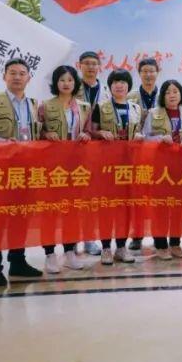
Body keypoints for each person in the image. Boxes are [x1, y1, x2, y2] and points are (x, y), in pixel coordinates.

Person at [0, 59, 45, 285]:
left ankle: (18, 261)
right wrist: (4, 143)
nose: (17, 77)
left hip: (26, 169)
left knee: (21, 216)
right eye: (12, 73)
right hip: (1, 169)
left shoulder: (34, 104)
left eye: (22, 73)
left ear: (29, 78)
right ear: (4, 76)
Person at [38, 65, 92, 273]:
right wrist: (46, 134)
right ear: (55, 83)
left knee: (72, 210)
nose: (66, 83)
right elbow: (37, 131)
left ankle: (70, 251)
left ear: (75, 83)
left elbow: (89, 130)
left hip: (76, 166)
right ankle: (50, 254)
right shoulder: (45, 105)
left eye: (70, 80)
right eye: (62, 80)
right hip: (52, 167)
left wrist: (87, 135)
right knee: (50, 210)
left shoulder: (84, 107)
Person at [142, 79, 182, 259]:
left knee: (178, 207)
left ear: (181, 94)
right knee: (160, 206)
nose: (172, 95)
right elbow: (146, 137)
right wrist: (160, 139)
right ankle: (160, 244)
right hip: (160, 167)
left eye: (175, 91)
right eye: (168, 92)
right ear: (162, 96)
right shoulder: (153, 113)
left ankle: (175, 243)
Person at [89, 69, 143, 265]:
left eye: (123, 82)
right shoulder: (100, 107)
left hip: (129, 165)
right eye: (115, 82)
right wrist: (100, 133)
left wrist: (140, 136)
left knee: (125, 208)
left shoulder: (136, 108)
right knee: (107, 207)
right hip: (107, 166)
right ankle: (105, 248)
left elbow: (140, 132)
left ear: (128, 86)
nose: (119, 85)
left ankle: (121, 247)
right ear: (110, 86)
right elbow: (91, 131)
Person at [76, 51, 109, 257]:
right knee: (76, 197)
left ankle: (89, 239)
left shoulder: (106, 90)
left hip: (101, 150)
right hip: (76, 148)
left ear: (99, 67)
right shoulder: (71, 87)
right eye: (86, 63)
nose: (90, 67)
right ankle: (72, 241)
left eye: (94, 63)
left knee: (94, 197)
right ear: (79, 66)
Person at [127, 57, 161, 252]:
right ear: (139, 73)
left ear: (157, 72)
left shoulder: (165, 95)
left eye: (151, 71)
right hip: (136, 154)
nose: (148, 75)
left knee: (158, 197)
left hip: (159, 154)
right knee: (137, 196)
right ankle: (137, 235)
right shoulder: (130, 96)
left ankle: (158, 235)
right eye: (145, 71)